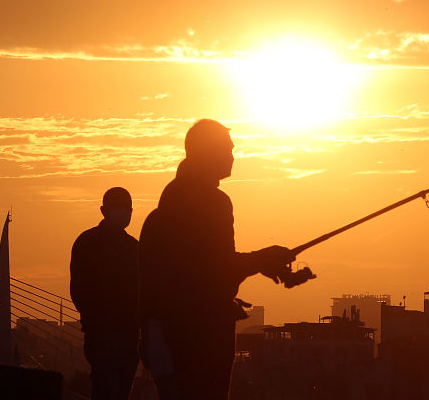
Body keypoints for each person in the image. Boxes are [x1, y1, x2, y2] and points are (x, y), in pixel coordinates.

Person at [138, 119, 303, 400]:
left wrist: (247, 273)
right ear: (208, 153)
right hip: (200, 338)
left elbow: (191, 272)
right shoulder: (214, 203)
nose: (232, 156)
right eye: (226, 150)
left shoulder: (162, 211)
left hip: (166, 336)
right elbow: (218, 267)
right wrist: (262, 260)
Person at [70, 187, 140, 400]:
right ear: (104, 210)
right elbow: (79, 290)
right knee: (106, 388)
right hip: (102, 334)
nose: (125, 213)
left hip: (127, 336)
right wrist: (97, 318)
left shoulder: (134, 248)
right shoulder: (88, 243)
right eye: (118, 208)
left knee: (119, 390)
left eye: (128, 208)